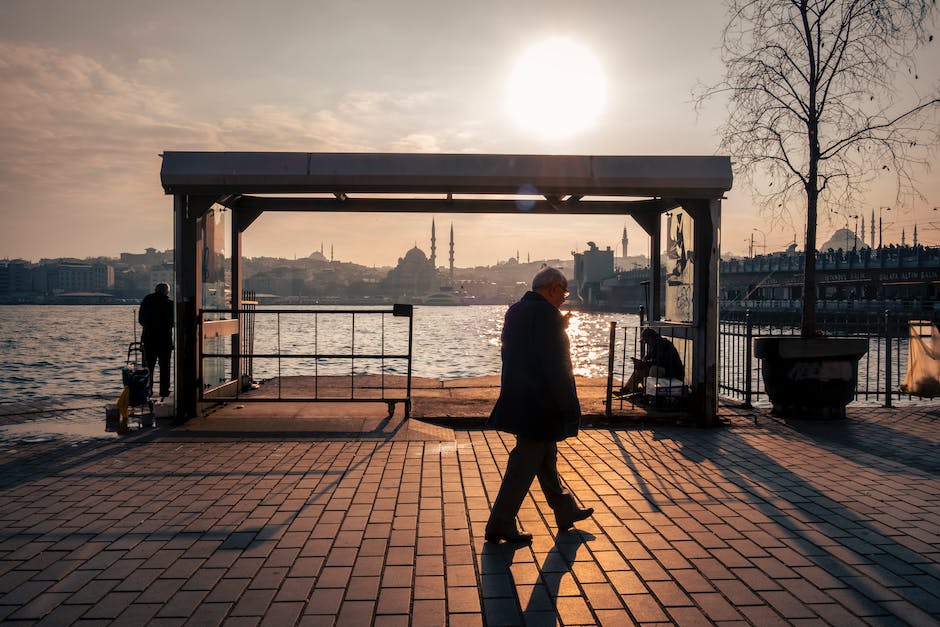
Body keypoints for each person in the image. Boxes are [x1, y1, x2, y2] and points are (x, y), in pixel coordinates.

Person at [485, 267, 594, 544]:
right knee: (523, 464)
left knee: (546, 457)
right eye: (564, 291)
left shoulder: (517, 310)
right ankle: (500, 523)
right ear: (552, 288)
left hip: (520, 397)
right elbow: (555, 366)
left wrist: (558, 324)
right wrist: (568, 405)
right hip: (540, 403)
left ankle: (565, 510)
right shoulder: (547, 316)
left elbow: (527, 347)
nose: (564, 298)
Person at [617, 327, 684, 396]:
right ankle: (629, 389)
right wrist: (641, 362)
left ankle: (651, 393)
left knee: (654, 369)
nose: (646, 343)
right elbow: (647, 357)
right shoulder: (652, 345)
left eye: (646, 341)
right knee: (639, 370)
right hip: (663, 369)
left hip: (672, 371)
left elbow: (661, 361)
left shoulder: (664, 344)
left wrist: (645, 363)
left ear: (651, 338)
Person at [139, 282, 174, 399]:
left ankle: (148, 390)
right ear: (166, 292)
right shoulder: (169, 304)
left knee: (148, 366)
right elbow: (173, 322)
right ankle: (164, 391)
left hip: (149, 339)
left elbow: (141, 320)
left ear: (155, 290)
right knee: (165, 366)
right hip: (165, 340)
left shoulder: (146, 301)